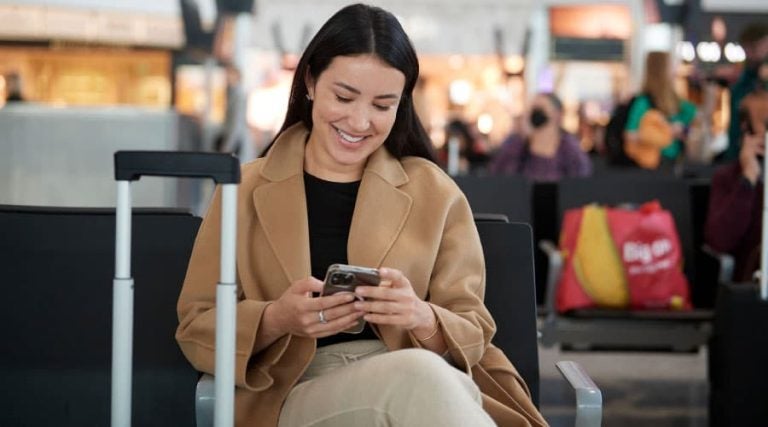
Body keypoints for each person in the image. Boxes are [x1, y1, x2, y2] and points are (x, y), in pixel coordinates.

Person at [175, 4, 545, 427]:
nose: (360, 120)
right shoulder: (244, 191)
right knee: (420, 379)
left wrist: (421, 317)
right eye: (344, 97)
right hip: (294, 390)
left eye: (383, 105)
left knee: (424, 380)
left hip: (426, 380)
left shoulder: (433, 191)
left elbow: (473, 327)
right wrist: (276, 317)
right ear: (311, 81)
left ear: (401, 104)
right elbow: (196, 327)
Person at [705, 62, 767, 283]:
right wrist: (748, 180)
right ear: (746, 134)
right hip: (753, 291)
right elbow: (720, 241)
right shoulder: (730, 179)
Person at [489, 92, 592, 180]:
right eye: (533, 109)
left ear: (558, 114)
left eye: (540, 109)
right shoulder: (517, 144)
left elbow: (581, 182)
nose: (535, 113)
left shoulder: (570, 148)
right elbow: (498, 175)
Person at [623, 51, 697, 169]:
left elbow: (697, 117)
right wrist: (666, 131)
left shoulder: (676, 100)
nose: (676, 69)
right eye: (671, 65)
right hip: (653, 163)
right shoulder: (644, 102)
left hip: (675, 161)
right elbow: (630, 135)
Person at [723, 22, 768, 161]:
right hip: (742, 157)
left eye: (755, 47)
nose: (750, 53)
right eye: (748, 48)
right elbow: (734, 129)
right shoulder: (741, 85)